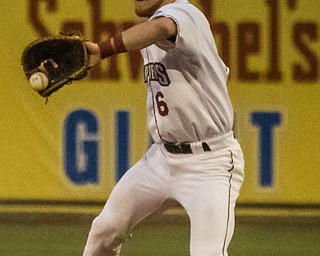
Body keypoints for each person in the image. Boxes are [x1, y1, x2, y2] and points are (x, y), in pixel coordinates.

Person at [83, 0, 244, 255]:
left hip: (210, 164)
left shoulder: (185, 14)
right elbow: (154, 30)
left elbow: (162, 28)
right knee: (105, 229)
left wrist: (103, 49)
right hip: (161, 159)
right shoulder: (153, 29)